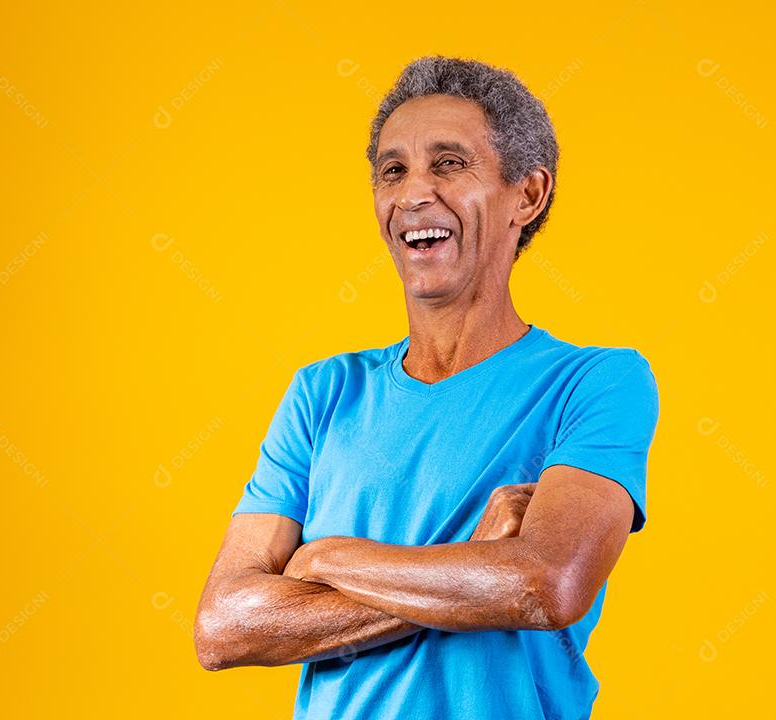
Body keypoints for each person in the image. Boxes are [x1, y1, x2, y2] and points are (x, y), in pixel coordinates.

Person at [193, 55, 660, 720]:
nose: (413, 192)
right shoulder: (323, 392)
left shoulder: (594, 382)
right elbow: (224, 626)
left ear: (527, 195)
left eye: (448, 163)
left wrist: (325, 556)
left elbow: (546, 584)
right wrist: (475, 563)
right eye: (394, 170)